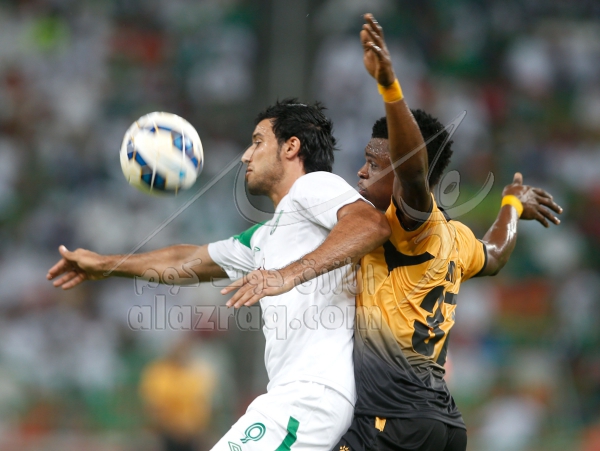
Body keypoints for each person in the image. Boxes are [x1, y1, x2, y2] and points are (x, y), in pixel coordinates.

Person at [47, 99, 392, 450]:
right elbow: (187, 259)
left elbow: (371, 224)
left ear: (291, 147)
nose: (246, 156)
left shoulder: (313, 185)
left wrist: (288, 275)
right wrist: (105, 264)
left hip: (309, 398)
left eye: (257, 142)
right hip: (298, 399)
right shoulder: (263, 237)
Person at [332, 14, 562, 451]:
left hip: (394, 420)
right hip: (443, 424)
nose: (361, 172)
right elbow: (495, 253)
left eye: (374, 164)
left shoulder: (413, 225)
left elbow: (413, 172)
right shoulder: (457, 239)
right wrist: (512, 206)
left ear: (403, 175)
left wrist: (388, 85)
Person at [140, 337, 216, 451]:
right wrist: (174, 425)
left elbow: (201, 404)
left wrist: (191, 426)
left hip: (191, 433)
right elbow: (155, 405)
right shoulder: (159, 373)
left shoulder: (194, 374)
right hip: (167, 431)